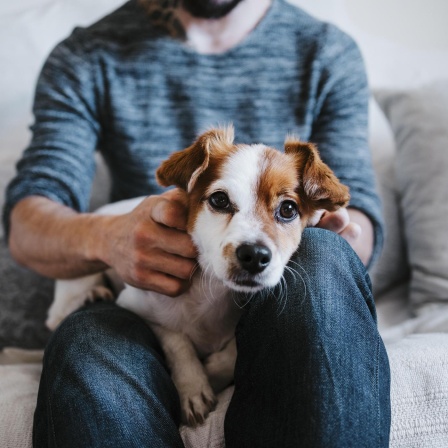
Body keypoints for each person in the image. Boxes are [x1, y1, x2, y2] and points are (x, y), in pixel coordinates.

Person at [3, 0, 391, 446]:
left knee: (324, 260)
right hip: (146, 294)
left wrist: (324, 234)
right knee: (88, 338)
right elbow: (28, 223)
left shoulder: (327, 51)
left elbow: (356, 211)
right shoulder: (87, 53)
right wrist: (108, 238)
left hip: (285, 299)